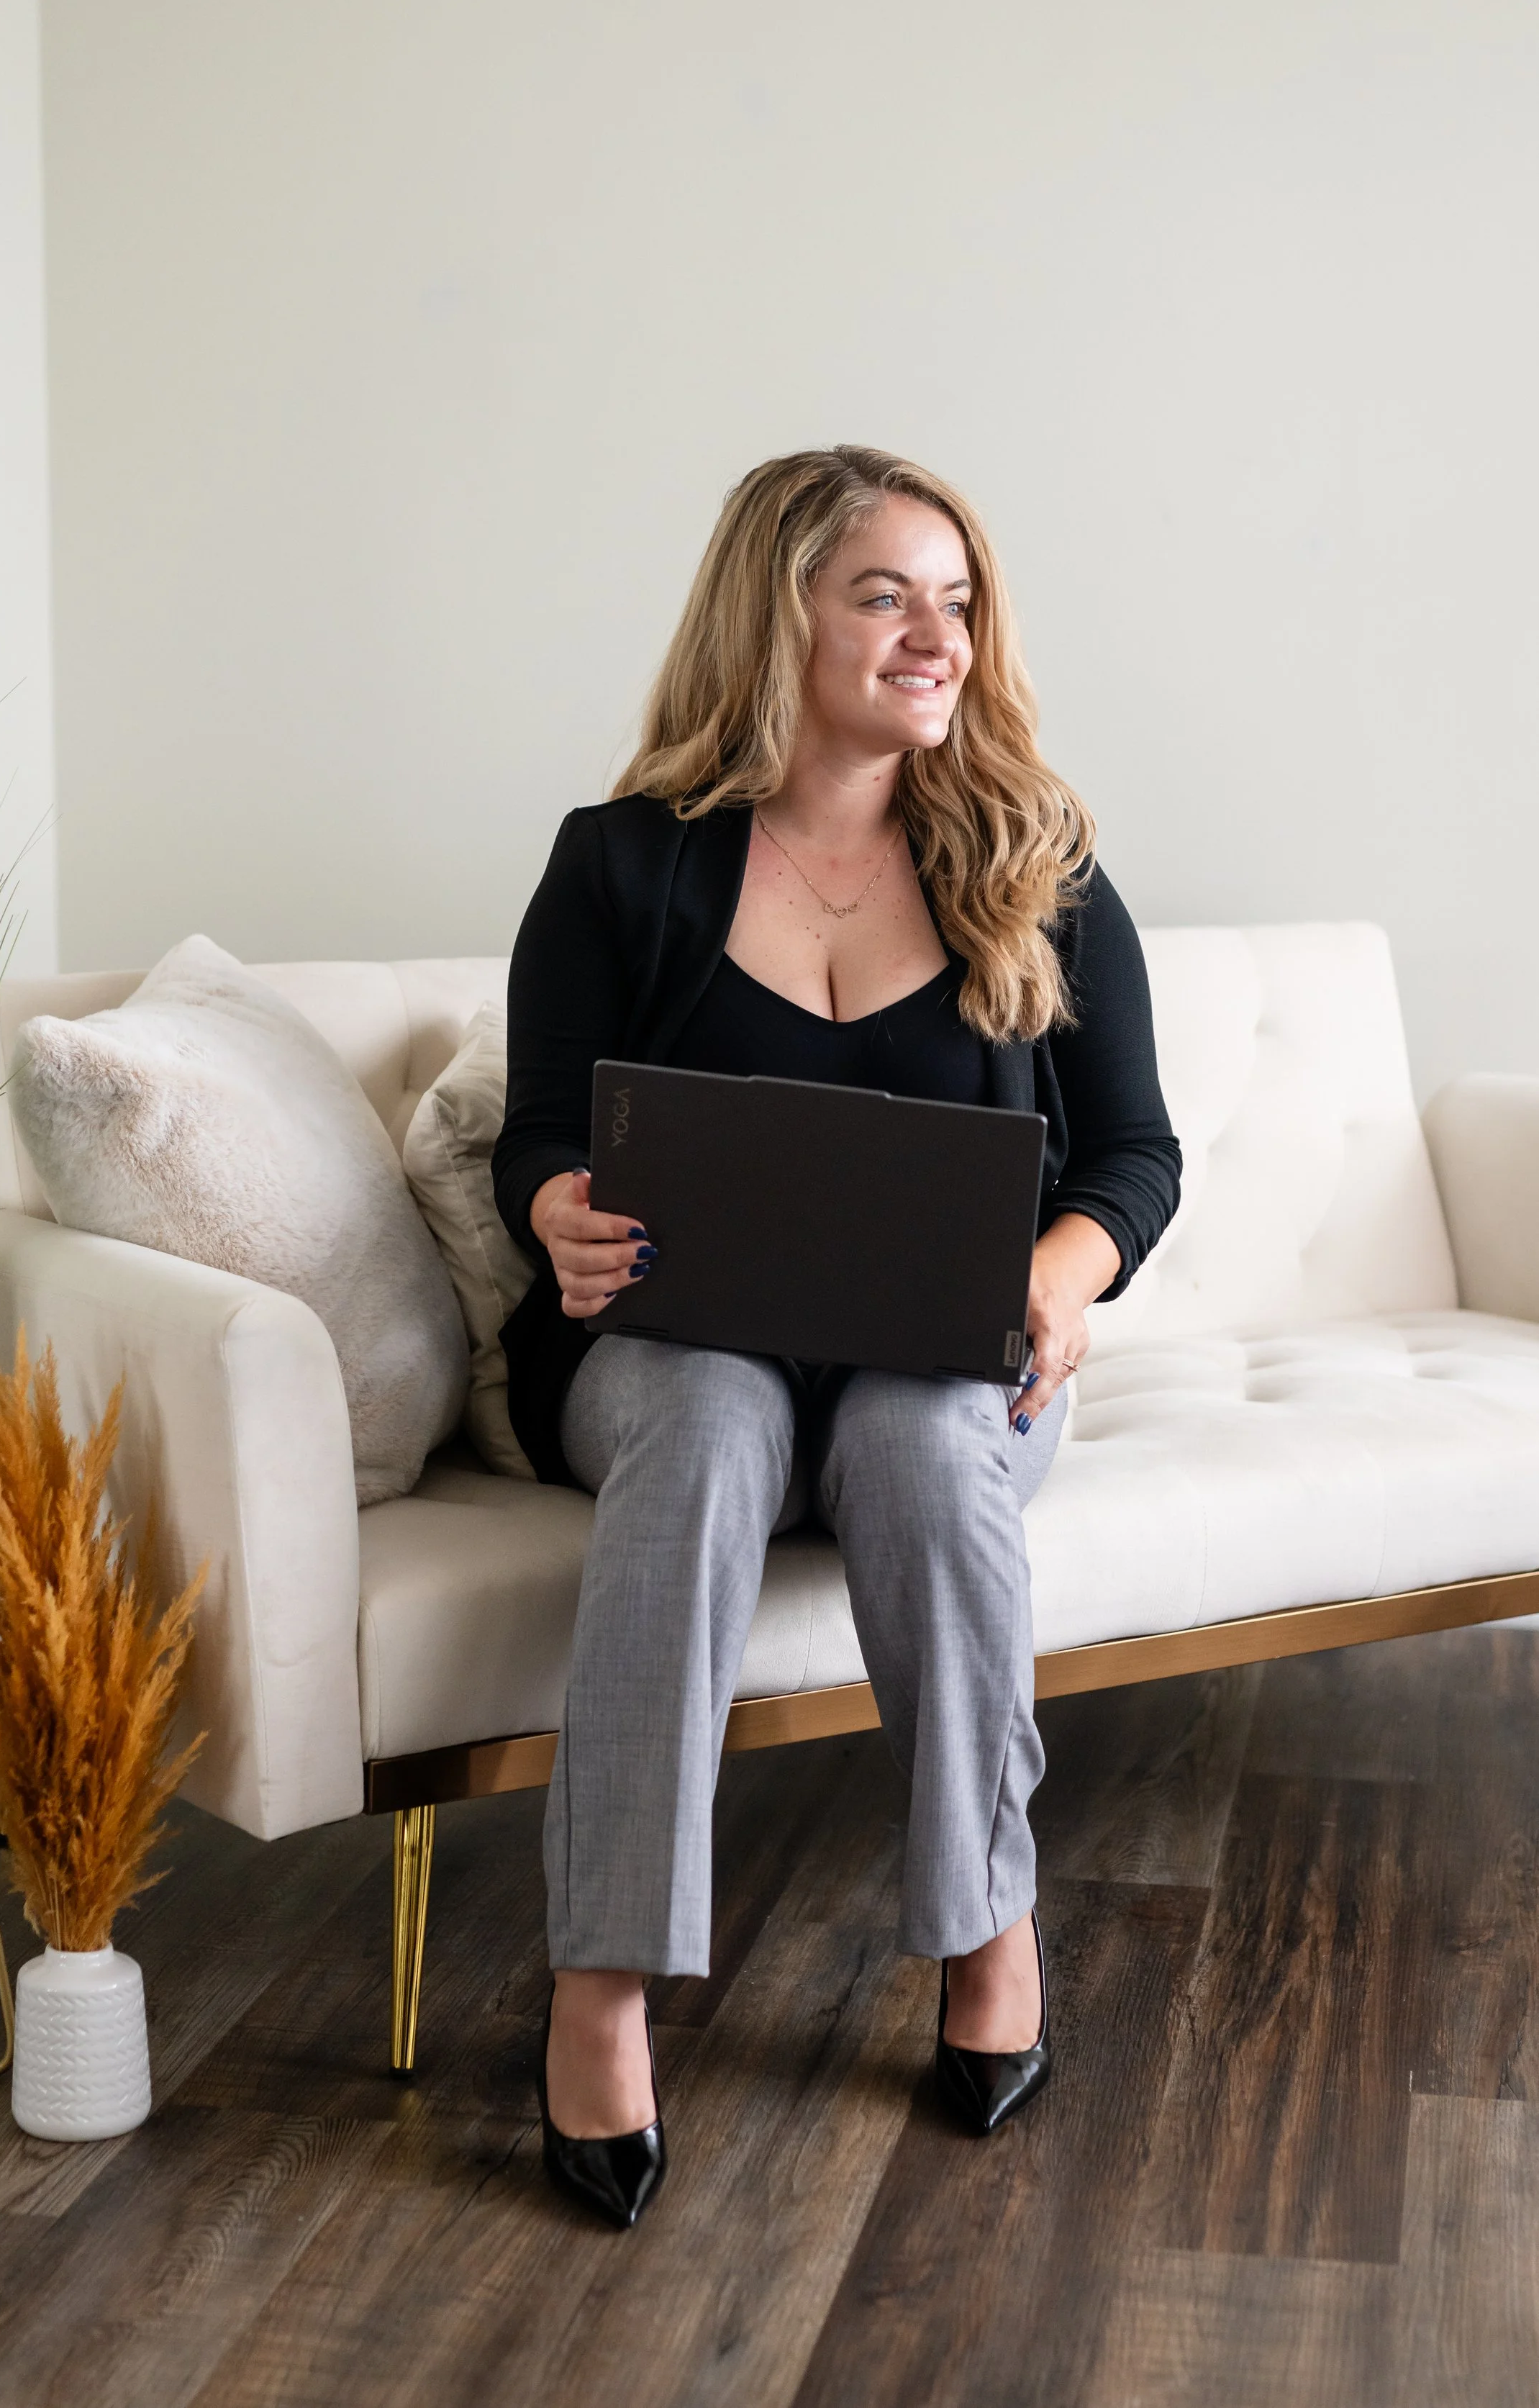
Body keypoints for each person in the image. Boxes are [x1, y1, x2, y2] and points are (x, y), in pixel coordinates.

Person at [492, 445, 1181, 2227]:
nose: (931, 634)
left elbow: (1130, 1153)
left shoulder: (1039, 860)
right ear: (774, 611)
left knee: (914, 1434)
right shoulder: (618, 867)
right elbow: (542, 1131)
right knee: (715, 1422)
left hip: (941, 1356)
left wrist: (1063, 1272)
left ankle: (985, 1928)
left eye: (954, 600)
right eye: (883, 593)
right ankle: (601, 1984)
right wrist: (558, 1209)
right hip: (673, 1347)